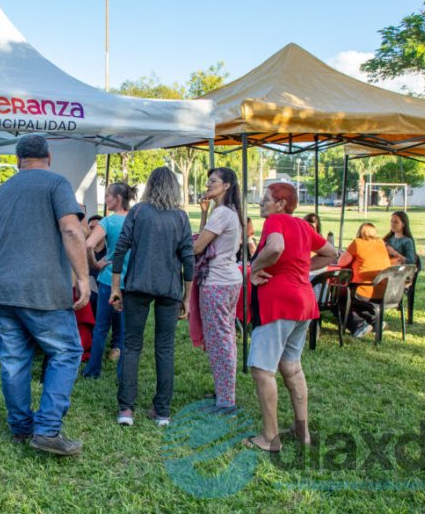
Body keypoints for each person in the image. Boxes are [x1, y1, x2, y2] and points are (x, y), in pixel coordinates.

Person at [0, 134, 89, 456]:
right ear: (49, 157)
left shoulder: (0, 192)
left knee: (13, 360)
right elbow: (71, 228)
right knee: (67, 351)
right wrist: (83, 276)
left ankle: (20, 429)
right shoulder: (57, 184)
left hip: (4, 290)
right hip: (43, 289)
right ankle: (47, 429)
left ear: (18, 160)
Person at [245, 182, 337, 452]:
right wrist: (301, 266)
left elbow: (274, 247)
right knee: (292, 367)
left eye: (266, 198)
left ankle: (270, 438)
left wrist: (255, 266)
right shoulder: (304, 226)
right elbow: (331, 253)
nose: (261, 203)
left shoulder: (276, 221)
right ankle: (302, 430)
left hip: (278, 302)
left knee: (262, 370)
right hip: (304, 303)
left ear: (281, 204)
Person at [112, 167, 194, 427]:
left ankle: (126, 409)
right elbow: (188, 260)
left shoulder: (137, 212)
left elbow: (120, 248)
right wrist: (187, 298)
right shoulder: (180, 217)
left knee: (132, 345)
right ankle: (162, 411)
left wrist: (116, 287)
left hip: (137, 285)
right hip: (169, 288)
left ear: (150, 186)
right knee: (165, 348)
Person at [192, 167, 243, 411]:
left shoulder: (222, 213)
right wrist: (203, 214)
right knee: (225, 337)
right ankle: (224, 391)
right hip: (229, 279)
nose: (208, 185)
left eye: (213, 181)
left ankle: (226, 401)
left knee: (220, 340)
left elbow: (197, 247)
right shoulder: (227, 212)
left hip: (217, 282)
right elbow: (204, 238)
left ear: (226, 186)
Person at [82, 183, 136, 379]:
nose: (105, 200)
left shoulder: (108, 221)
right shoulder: (137, 219)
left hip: (108, 280)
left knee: (101, 327)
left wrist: (96, 263)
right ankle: (123, 373)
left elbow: (88, 244)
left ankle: (92, 370)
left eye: (108, 196)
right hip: (132, 280)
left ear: (118, 199)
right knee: (127, 329)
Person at [337, 222, 392, 337]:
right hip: (383, 289)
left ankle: (358, 325)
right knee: (354, 300)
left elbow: (341, 262)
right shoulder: (381, 243)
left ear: (360, 232)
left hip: (364, 289)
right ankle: (376, 323)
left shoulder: (358, 243)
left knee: (340, 299)